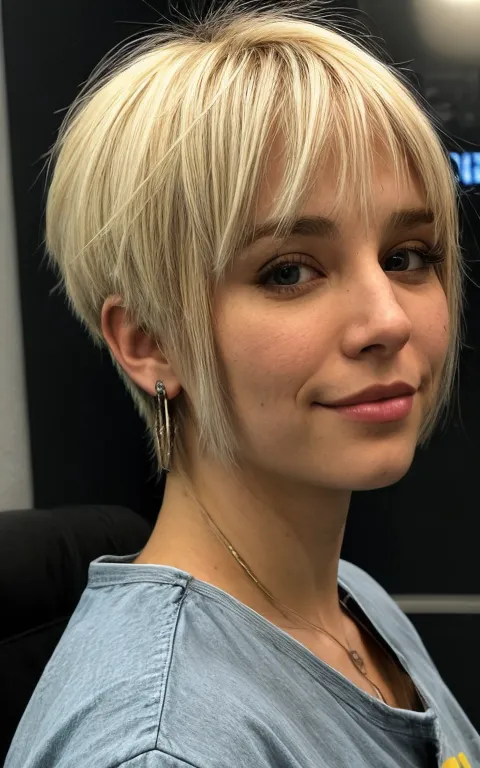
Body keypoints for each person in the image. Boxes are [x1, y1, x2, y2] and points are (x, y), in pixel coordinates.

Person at [5, 2, 478, 766]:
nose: (387, 319)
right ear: (149, 342)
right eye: (289, 270)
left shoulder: (351, 602)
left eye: (407, 255)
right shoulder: (167, 748)